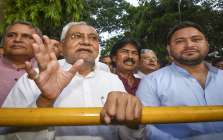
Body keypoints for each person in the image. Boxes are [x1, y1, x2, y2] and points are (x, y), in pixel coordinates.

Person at [2, 21, 144, 140]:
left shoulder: (113, 80)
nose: (86, 42)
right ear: (62, 47)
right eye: (77, 36)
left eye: (93, 38)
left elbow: (129, 136)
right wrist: (45, 100)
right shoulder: (34, 78)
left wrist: (132, 120)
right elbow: (6, 134)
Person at [136, 21, 223, 140]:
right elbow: (146, 127)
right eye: (180, 41)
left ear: (207, 44)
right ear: (169, 49)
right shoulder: (151, 82)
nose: (189, 45)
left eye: (196, 39)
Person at [0, 21, 42, 106]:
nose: (17, 40)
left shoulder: (47, 69)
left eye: (26, 36)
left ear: (38, 42)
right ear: (3, 41)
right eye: (11, 35)